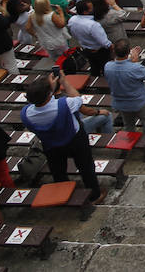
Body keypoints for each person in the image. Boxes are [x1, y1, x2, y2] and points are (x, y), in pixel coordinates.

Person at [20, 73, 104, 203]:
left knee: (58, 170)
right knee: (86, 166)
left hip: (50, 143)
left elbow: (42, 102)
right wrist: (64, 82)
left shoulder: (26, 113)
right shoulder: (65, 104)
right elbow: (78, 99)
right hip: (75, 139)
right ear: (49, 95)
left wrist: (49, 90)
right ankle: (95, 195)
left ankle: (64, 196)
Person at [106, 39, 145, 156]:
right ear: (128, 51)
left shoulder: (108, 67)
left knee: (128, 125)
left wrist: (130, 61)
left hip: (121, 102)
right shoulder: (134, 68)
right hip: (138, 101)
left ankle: (130, 145)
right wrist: (135, 61)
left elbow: (120, 66)